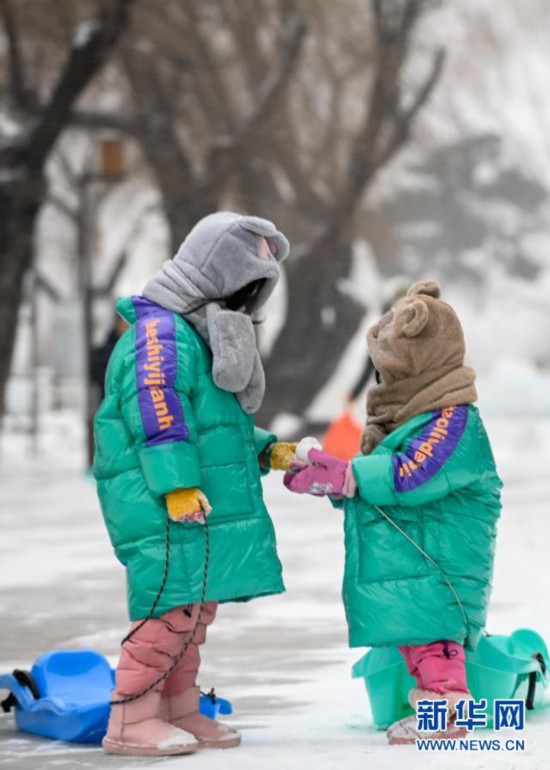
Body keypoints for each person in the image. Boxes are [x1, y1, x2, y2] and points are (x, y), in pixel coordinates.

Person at [93, 212, 297, 756]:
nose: (247, 307)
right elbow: (156, 409)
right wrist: (176, 485)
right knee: (167, 615)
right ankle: (131, 720)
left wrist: (266, 448)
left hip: (189, 505)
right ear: (218, 276)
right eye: (245, 292)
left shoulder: (193, 336)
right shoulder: (161, 335)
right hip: (161, 502)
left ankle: (178, 710)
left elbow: (213, 426)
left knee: (192, 615)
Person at [284, 280, 502, 744]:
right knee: (413, 626)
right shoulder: (414, 415)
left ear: (418, 365)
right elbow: (382, 477)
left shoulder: (453, 419)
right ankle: (434, 698)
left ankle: (447, 707)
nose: (384, 381)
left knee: (433, 629)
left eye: (391, 370)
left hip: (442, 555)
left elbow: (413, 474)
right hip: (414, 552)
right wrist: (336, 481)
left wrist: (353, 476)